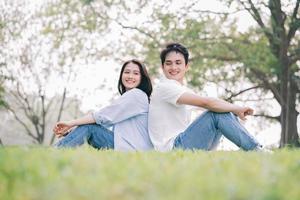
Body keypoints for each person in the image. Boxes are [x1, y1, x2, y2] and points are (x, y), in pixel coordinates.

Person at [148, 43, 263, 152]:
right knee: (215, 112)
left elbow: (216, 106)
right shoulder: (164, 87)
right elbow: (207, 103)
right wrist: (236, 108)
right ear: (163, 67)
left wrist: (234, 111)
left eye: (178, 63)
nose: (173, 67)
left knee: (221, 110)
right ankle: (256, 149)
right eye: (168, 63)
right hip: (172, 148)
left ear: (186, 66)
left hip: (184, 144)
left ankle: (254, 148)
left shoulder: (184, 90)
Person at [53, 59, 153, 151]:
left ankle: (56, 151)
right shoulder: (133, 97)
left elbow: (102, 117)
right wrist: (72, 133)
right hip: (125, 145)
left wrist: (70, 123)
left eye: (136, 73)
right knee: (90, 126)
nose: (130, 76)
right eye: (127, 72)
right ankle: (58, 149)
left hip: (132, 148)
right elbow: (105, 125)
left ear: (142, 78)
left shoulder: (137, 95)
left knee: (90, 127)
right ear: (121, 75)